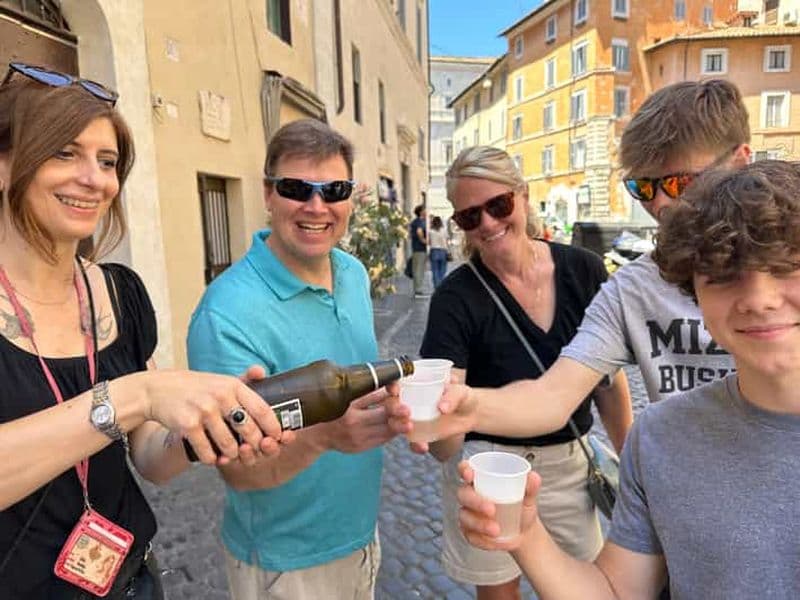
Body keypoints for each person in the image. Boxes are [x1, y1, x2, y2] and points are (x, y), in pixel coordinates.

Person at [0, 63, 286, 599]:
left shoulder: (119, 292)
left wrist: (206, 434)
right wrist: (138, 394)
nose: (94, 178)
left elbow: (151, 457)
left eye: (107, 161)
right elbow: (135, 401)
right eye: (64, 152)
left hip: (132, 582)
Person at [456, 160, 800, 599]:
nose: (758, 298)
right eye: (723, 273)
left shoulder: (579, 268)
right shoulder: (661, 437)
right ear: (693, 291)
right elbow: (617, 591)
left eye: (787, 264)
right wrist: (526, 536)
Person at [392, 79, 752, 446]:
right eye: (643, 188)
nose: (659, 204)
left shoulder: (787, 270)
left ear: (741, 160)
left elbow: (608, 388)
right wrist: (463, 408)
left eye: (680, 183)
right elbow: (554, 396)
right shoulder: (632, 288)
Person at [187, 119, 403, 600]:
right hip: (288, 566)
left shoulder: (351, 273)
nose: (316, 206)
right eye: (295, 188)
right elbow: (236, 469)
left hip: (361, 535)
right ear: (268, 194)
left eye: (334, 190)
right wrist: (325, 435)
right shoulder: (226, 314)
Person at [419, 146, 632, 600]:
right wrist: (438, 418)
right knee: (500, 596)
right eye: (470, 218)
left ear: (523, 194)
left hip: (571, 465)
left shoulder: (584, 270)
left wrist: (634, 463)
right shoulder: (455, 298)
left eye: (498, 206)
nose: (489, 225)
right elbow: (442, 447)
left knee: (592, 587)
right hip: (489, 466)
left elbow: (609, 386)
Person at [410, 203, 428, 296]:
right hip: (420, 248)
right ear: (421, 212)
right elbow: (419, 232)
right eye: (425, 210)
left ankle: (417, 288)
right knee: (419, 269)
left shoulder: (416, 221)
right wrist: (425, 241)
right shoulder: (419, 222)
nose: (426, 211)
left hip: (417, 248)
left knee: (418, 268)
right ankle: (418, 289)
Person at [428, 215, 448, 288]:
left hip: (434, 251)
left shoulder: (431, 231)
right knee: (443, 269)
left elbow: (429, 242)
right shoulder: (444, 230)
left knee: (434, 270)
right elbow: (446, 241)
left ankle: (437, 286)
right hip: (443, 251)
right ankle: (441, 285)